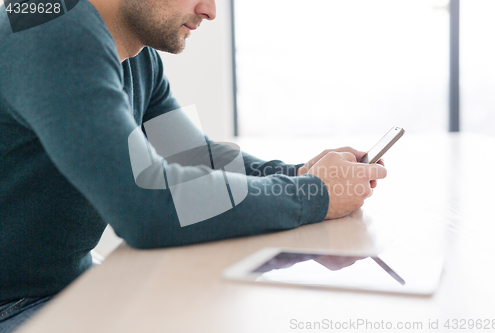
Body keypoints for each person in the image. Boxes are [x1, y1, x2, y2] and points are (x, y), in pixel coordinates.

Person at [0, 0, 387, 331]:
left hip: (63, 287)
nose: (211, 10)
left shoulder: (133, 54)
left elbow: (197, 157)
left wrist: (299, 174)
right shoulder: (49, 26)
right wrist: (315, 194)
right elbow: (149, 209)